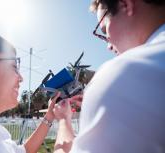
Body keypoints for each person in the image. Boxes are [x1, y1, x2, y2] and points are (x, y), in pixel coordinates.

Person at [53, 0, 165, 152]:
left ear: (125, 4)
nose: (108, 45)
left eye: (104, 30)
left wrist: (63, 120)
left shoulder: (123, 75)